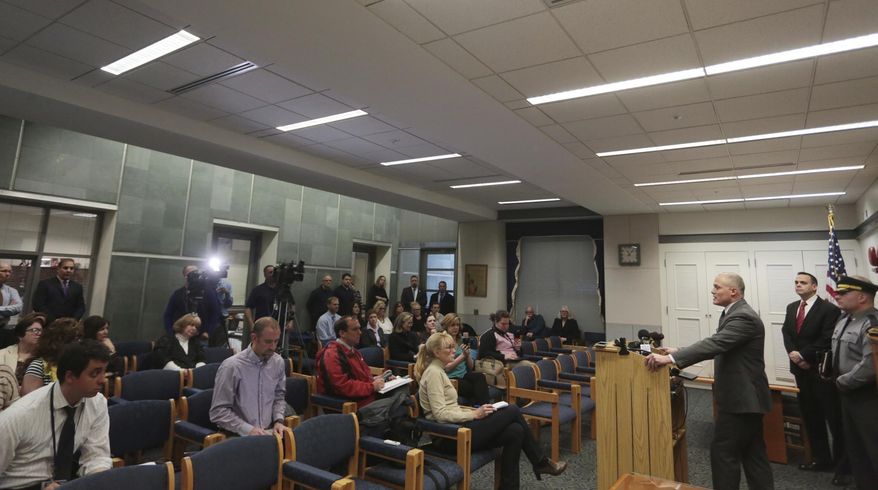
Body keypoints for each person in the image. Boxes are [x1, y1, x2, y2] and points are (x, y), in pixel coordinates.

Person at [645, 273, 773, 490]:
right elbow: (723, 345)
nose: (712, 291)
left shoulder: (743, 316)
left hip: (741, 399)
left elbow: (716, 344)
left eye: (717, 287)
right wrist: (680, 351)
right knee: (753, 453)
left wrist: (670, 358)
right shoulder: (733, 313)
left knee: (724, 453)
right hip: (746, 398)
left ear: (733, 291)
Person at [415, 332, 566, 489]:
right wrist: (474, 413)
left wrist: (474, 412)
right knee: (513, 410)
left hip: (459, 427)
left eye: (454, 346)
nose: (454, 350)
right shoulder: (433, 373)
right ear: (436, 352)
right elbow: (440, 414)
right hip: (450, 436)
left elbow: (449, 408)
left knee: (515, 431)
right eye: (449, 347)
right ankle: (540, 462)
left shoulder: (439, 371)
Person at [0, 340, 112, 489]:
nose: (102, 380)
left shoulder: (97, 403)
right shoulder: (19, 416)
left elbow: (96, 456)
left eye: (104, 371)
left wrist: (99, 481)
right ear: (70, 377)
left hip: (67, 484)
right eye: (95, 373)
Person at [780, 273, 848, 483]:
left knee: (834, 419)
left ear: (815, 286)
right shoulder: (792, 307)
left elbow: (827, 338)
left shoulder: (829, 309)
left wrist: (805, 355)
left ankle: (843, 466)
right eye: (796, 282)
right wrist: (793, 353)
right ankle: (821, 459)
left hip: (821, 371)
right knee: (811, 416)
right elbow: (787, 333)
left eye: (803, 282)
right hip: (800, 372)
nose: (798, 285)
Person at [315, 316, 408, 431]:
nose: (360, 332)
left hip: (366, 396)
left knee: (403, 389)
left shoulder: (353, 351)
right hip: (350, 404)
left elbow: (364, 377)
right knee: (402, 406)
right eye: (355, 329)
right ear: (342, 333)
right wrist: (372, 386)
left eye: (359, 328)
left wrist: (380, 378)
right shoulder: (332, 355)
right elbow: (343, 386)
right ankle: (370, 418)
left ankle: (385, 416)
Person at [830, 276, 878, 489]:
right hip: (847, 394)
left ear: (861, 297)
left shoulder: (872, 323)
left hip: (867, 396)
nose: (837, 295)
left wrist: (842, 381)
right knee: (856, 447)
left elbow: (870, 365)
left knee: (872, 447)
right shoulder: (844, 320)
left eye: (843, 293)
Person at [210, 317, 287, 436]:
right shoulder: (232, 366)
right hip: (238, 435)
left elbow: (278, 397)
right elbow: (218, 412)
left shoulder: (277, 362)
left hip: (268, 432)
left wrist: (278, 420)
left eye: (276, 341)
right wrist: (247, 429)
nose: (273, 347)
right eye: (268, 341)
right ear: (254, 338)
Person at [162, 265, 221, 344]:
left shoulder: (208, 292)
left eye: (197, 272)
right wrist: (171, 333)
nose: (196, 275)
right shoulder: (178, 294)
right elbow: (168, 315)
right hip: (180, 336)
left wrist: (208, 331)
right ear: (186, 276)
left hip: (201, 336)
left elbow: (215, 313)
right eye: (192, 273)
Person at [21, 318, 81, 396]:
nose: (78, 344)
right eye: (75, 340)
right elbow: (29, 402)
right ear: (59, 342)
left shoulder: (77, 366)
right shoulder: (39, 365)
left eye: (79, 339)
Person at [441, 313, 489, 404]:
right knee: (477, 388)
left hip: (463, 375)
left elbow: (470, 367)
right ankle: (484, 408)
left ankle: (485, 407)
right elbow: (446, 368)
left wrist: (467, 355)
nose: (456, 327)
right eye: (453, 325)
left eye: (457, 325)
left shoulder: (460, 340)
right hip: (451, 378)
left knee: (480, 377)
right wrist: (462, 356)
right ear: (446, 326)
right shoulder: (443, 342)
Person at [32, 258, 86, 323]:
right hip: (49, 324)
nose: (68, 270)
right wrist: (53, 320)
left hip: (69, 326)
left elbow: (81, 307)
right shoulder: (45, 284)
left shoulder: (77, 287)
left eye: (71, 268)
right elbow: (38, 304)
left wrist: (73, 320)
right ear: (58, 269)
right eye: (65, 268)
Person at [0, 313, 44, 387]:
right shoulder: (3, 354)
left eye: (41, 331)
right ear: (20, 334)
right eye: (35, 330)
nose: (39, 334)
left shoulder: (44, 357)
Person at [243, 265, 280, 350]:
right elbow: (248, 308)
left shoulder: (281, 290)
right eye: (270, 272)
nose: (272, 274)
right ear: (265, 274)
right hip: (262, 327)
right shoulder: (258, 290)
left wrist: (290, 321)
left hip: (278, 327)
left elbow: (291, 304)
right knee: (260, 349)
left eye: (274, 272)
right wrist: (251, 324)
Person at [0, 262, 23, 349]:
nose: (7, 274)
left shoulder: (11, 291)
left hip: (3, 329)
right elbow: (13, 309)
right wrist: (8, 309)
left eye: (10, 271)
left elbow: (18, 307)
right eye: (4, 271)